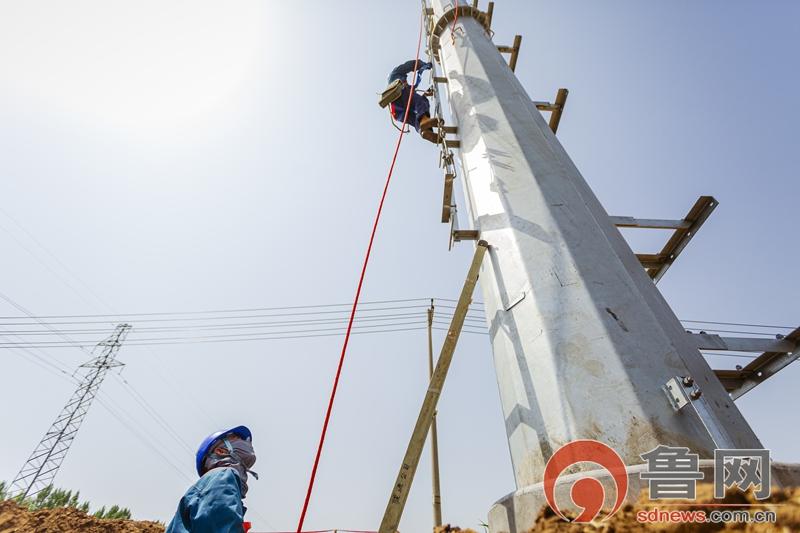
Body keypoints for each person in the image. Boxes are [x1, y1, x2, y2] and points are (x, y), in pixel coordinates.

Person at [166, 425, 258, 533]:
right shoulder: (222, 476)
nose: (246, 442)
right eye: (237, 439)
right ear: (221, 451)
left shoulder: (215, 482)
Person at [381, 59, 440, 143]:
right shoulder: (395, 74)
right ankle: (424, 119)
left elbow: (413, 100)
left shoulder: (404, 87)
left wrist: (425, 94)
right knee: (420, 101)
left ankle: (425, 131)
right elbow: (410, 65)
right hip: (399, 98)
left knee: (415, 119)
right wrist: (424, 65)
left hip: (397, 113)